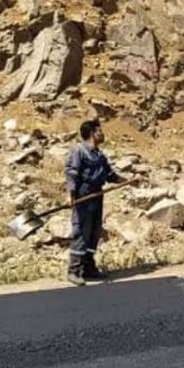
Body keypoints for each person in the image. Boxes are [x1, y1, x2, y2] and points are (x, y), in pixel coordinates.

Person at [64, 119, 123, 285]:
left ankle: (88, 267)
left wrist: (129, 180)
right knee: (81, 231)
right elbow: (71, 173)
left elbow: (111, 176)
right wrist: (71, 195)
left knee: (94, 232)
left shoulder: (99, 155)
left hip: (97, 195)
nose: (102, 133)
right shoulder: (78, 151)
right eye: (99, 131)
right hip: (83, 196)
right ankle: (74, 270)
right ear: (92, 133)